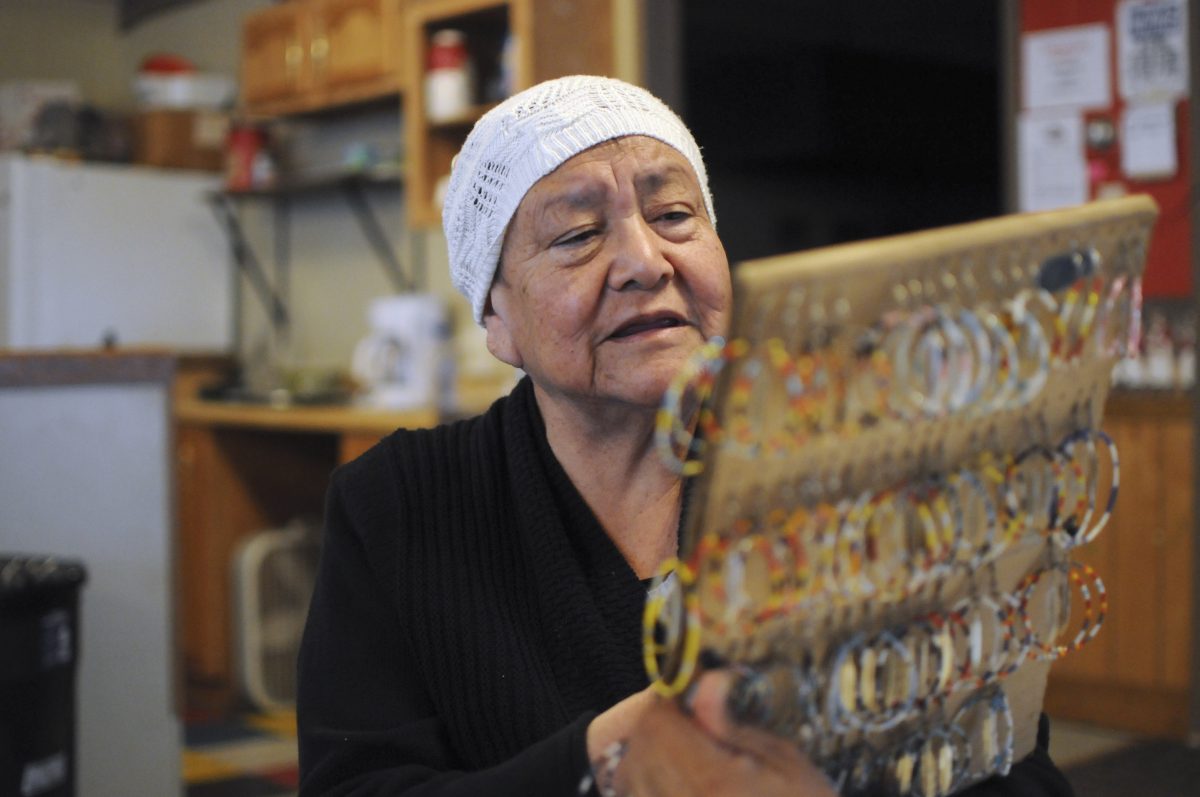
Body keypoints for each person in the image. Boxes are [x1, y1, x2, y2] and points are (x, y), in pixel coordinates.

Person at [297, 75, 1074, 796]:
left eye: (674, 216)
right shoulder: (399, 505)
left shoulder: (851, 476)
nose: (645, 261)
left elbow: (1008, 759)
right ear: (496, 318)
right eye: (576, 234)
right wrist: (611, 759)